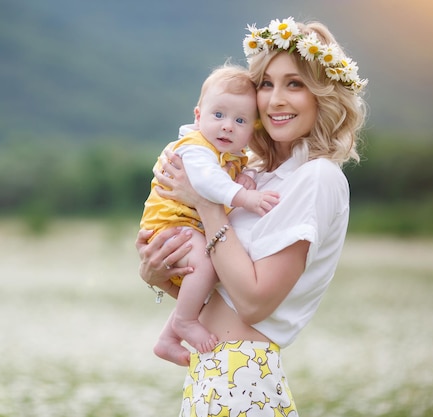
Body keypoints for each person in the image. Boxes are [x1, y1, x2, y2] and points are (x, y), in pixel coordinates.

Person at [136, 17, 367, 416]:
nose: (276, 99)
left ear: (321, 95)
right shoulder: (252, 175)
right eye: (267, 84)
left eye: (294, 83)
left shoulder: (317, 177)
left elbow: (255, 302)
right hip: (214, 369)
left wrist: (205, 202)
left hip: (242, 372)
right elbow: (221, 292)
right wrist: (158, 277)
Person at [140, 64, 280, 365]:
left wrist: (244, 179)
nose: (228, 125)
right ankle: (184, 322)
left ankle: (168, 337)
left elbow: (224, 180)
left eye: (240, 120)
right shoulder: (194, 148)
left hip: (189, 226)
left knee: (209, 268)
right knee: (206, 263)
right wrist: (245, 196)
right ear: (198, 115)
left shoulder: (231, 156)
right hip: (170, 224)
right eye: (219, 115)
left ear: (253, 129)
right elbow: (206, 182)